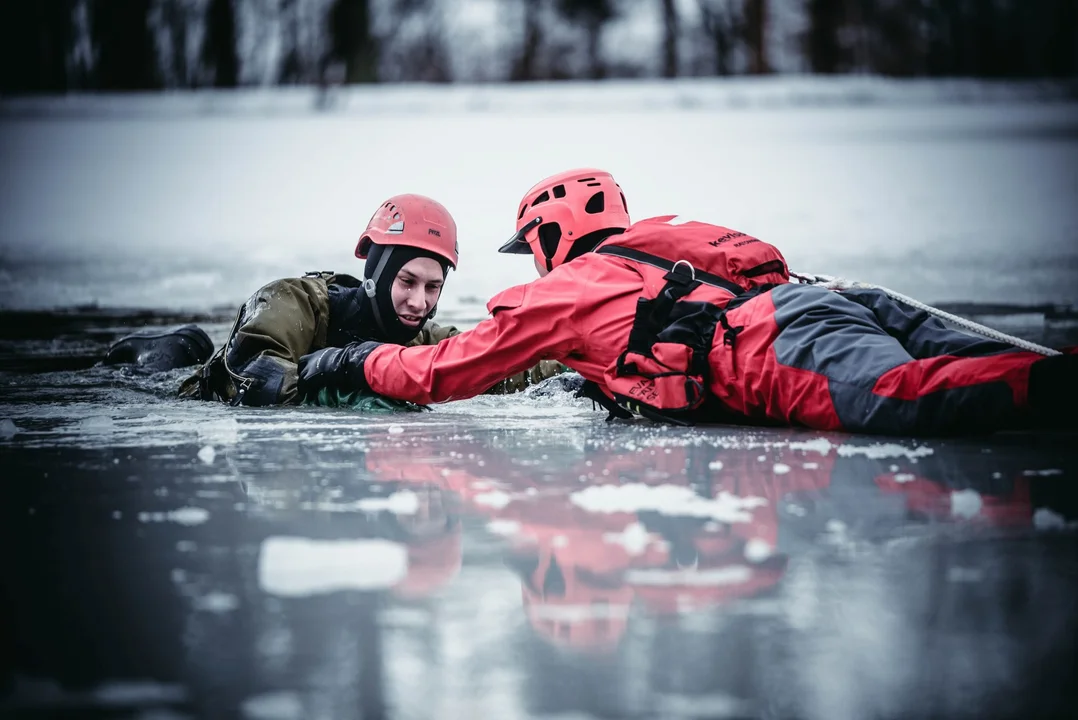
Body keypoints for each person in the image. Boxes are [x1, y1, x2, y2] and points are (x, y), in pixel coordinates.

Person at [296, 169, 1077, 436]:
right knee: (997, 361)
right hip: (844, 301)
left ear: (551, 234)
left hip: (777, 344)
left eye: (533, 245)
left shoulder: (563, 288)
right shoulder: (670, 239)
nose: (533, 260)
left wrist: (361, 363)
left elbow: (445, 369)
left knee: (906, 399)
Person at [179, 193, 562, 407]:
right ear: (376, 276)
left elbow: (491, 364)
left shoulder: (422, 338)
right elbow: (255, 381)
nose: (418, 302)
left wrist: (573, 365)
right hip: (184, 393)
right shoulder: (292, 303)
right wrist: (344, 370)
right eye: (407, 281)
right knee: (183, 348)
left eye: (433, 287)